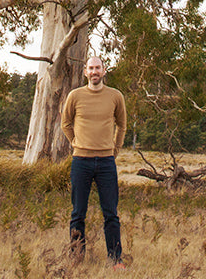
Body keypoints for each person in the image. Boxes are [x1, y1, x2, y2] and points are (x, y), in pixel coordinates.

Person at [61, 54, 127, 266]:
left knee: (111, 214)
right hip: (81, 161)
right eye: (91, 68)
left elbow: (122, 125)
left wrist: (115, 149)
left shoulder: (116, 96)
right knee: (78, 213)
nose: (94, 72)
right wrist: (76, 143)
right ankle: (76, 258)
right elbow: (66, 123)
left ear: (104, 70)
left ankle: (115, 259)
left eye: (98, 68)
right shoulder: (75, 96)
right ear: (85, 72)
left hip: (107, 162)